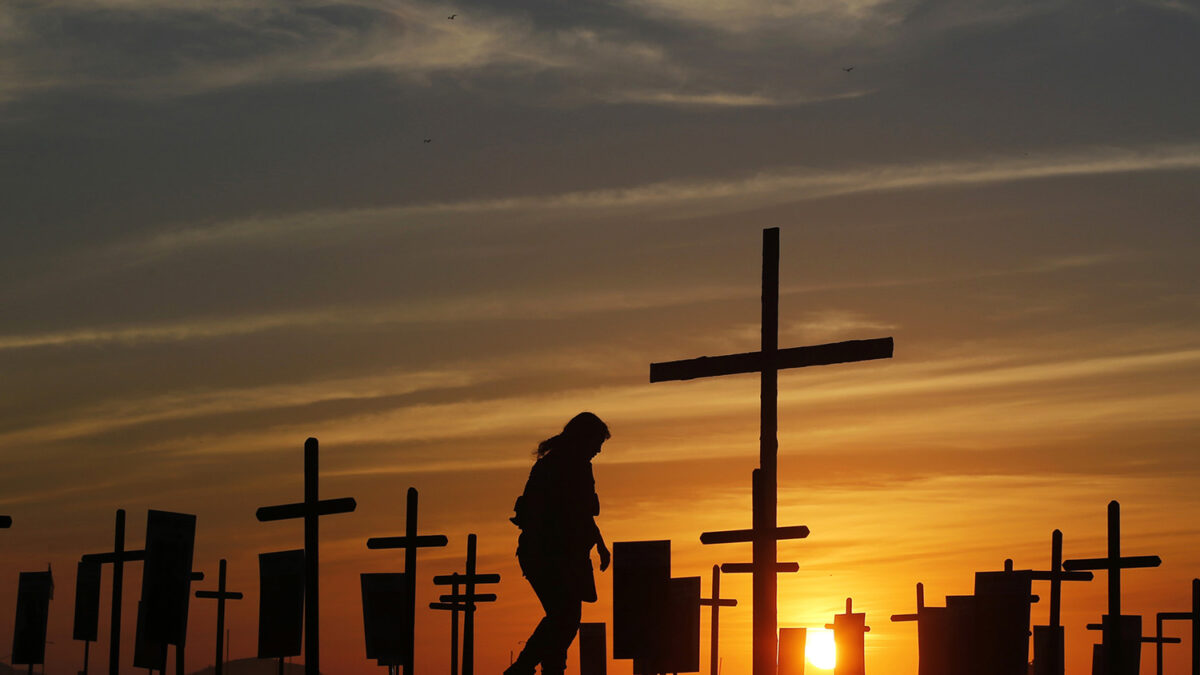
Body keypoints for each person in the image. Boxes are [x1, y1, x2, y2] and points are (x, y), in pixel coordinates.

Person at [505, 412, 611, 675]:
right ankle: (523, 668)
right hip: (548, 555)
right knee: (564, 617)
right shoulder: (556, 466)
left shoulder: (579, 465)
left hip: (566, 555)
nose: (598, 450)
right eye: (597, 443)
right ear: (584, 438)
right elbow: (558, 512)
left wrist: (599, 544)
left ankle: (548, 669)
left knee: (564, 619)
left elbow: (583, 512)